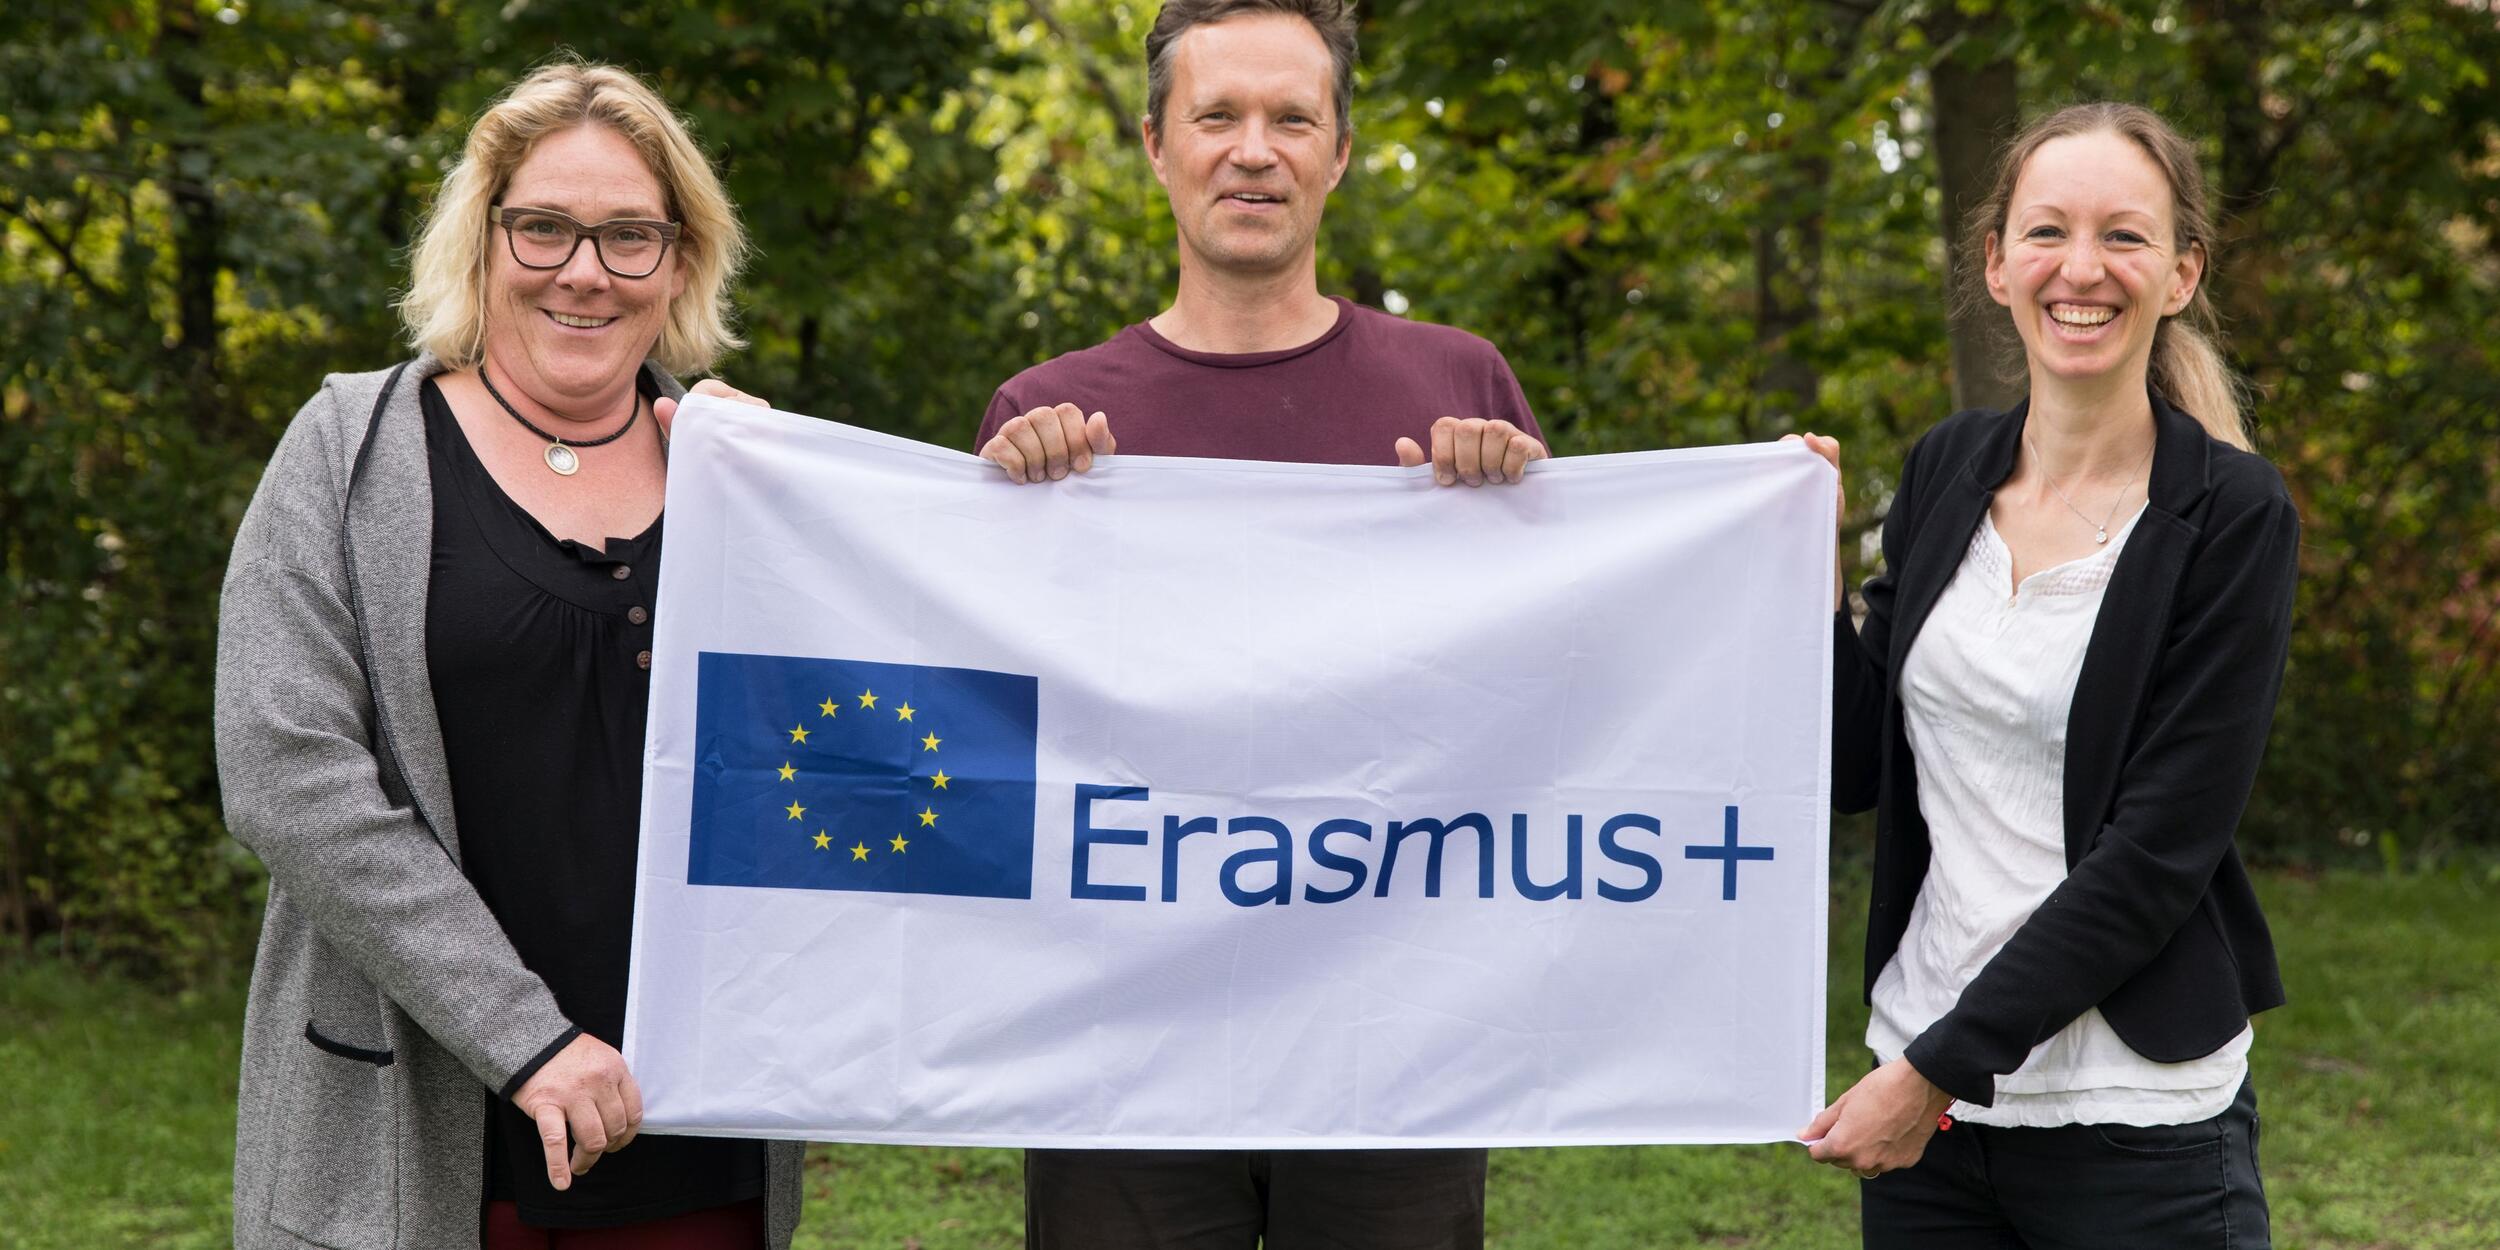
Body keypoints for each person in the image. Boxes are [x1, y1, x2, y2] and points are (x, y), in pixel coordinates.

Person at [975, 2, 1543, 1245]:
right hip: (1118, 1044)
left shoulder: (1461, 388)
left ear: (1338, 152)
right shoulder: (1048, 416)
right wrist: (1014, 515)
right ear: (1155, 143)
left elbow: (1547, 704)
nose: (1253, 148)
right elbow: (995, 737)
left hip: (1392, 1037)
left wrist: (1512, 517)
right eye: (1216, 115)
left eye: (1293, 117)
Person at [214, 62, 805, 1249]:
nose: (584, 269)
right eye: (544, 225)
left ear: (681, 262)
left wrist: (1019, 485)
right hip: (419, 1131)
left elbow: (860, 748)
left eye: (629, 235)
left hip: (695, 1144)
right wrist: (523, 1035)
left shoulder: (744, 474)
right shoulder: (350, 450)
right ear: (481, 240)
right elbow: (285, 770)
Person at [1789, 102, 2295, 1248]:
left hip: (2131, 1118)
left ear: (2179, 273)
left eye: (2123, 236)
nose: (2082, 268)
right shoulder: (1943, 465)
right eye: (2046, 232)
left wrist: (1932, 1071)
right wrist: (1811, 583)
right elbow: (1856, 766)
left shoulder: (2232, 515)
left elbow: (2156, 854)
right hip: (1932, 1108)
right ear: (1995, 262)